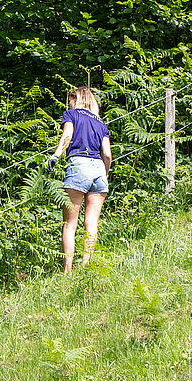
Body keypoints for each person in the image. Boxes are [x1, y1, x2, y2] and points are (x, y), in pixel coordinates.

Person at [47, 86, 112, 272]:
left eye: (70, 100)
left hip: (78, 166)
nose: (69, 104)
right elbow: (107, 154)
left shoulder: (71, 115)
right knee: (91, 224)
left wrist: (55, 156)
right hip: (99, 170)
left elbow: (67, 136)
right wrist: (105, 173)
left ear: (77, 99)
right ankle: (85, 266)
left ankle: (67, 270)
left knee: (70, 224)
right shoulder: (101, 123)